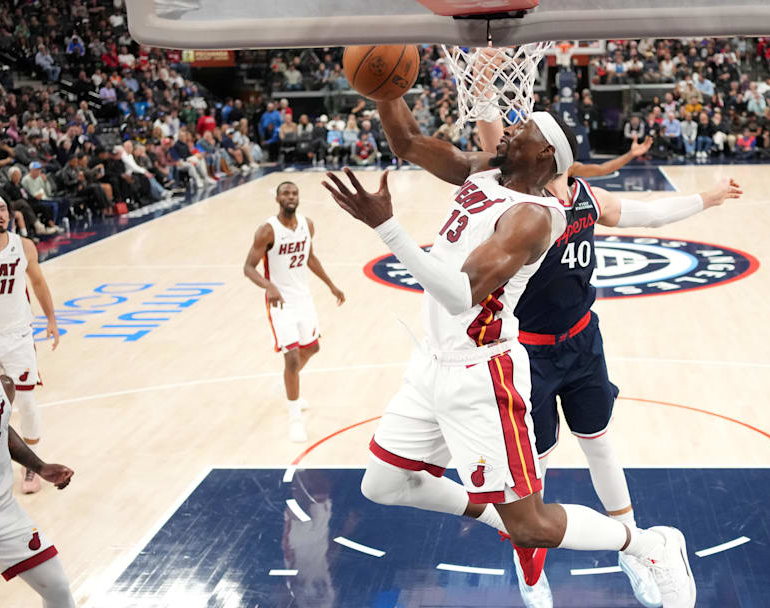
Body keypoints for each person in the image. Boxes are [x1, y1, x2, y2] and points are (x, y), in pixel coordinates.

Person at [343, 101, 696, 608]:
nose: (508, 131)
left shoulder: (533, 217)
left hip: (482, 375)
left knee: (532, 526)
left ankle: (651, 546)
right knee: (382, 484)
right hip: (431, 364)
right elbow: (406, 143)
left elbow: (461, 293)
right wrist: (381, 90)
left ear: (545, 154)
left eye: (521, 129)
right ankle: (498, 515)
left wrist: (387, 228)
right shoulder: (483, 170)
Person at [472, 114, 740, 608]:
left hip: (581, 343)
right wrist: (488, 93)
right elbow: (493, 141)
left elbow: (651, 216)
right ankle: (532, 580)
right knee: (535, 474)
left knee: (600, 445)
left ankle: (636, 550)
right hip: (526, 353)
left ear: (549, 154)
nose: (514, 147)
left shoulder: (587, 200)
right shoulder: (516, 201)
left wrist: (709, 197)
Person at [0, 315, 76, 607]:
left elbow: (1, 429)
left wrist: (40, 466)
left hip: (4, 511)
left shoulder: (2, 385)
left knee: (59, 590)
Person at [0, 194, 62, 494]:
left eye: (3, 208)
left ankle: (30, 466)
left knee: (27, 403)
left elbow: (39, 282)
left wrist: (51, 320)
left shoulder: (24, 245)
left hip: (18, 336)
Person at [243, 182, 346, 443]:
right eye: (286, 193)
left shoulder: (307, 225)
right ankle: (295, 417)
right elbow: (249, 268)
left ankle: (288, 381)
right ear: (277, 198)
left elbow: (310, 257)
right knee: (290, 359)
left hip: (304, 299)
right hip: (280, 303)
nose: (291, 197)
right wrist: (269, 287)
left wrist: (331, 285)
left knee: (312, 349)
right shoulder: (267, 230)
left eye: (294, 193)